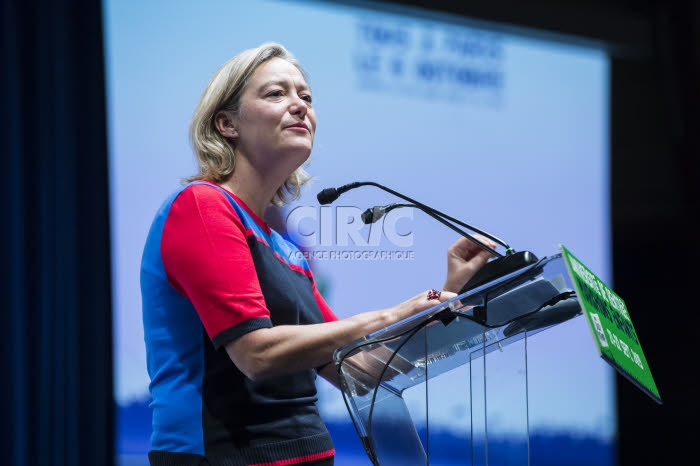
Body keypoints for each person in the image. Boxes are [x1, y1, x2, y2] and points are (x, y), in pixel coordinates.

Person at [140, 41, 495, 466]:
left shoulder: (284, 248)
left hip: (309, 454)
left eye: (306, 97)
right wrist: (388, 314)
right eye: (276, 94)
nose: (299, 106)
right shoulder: (201, 206)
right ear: (226, 123)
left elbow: (361, 371)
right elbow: (256, 354)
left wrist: (450, 293)